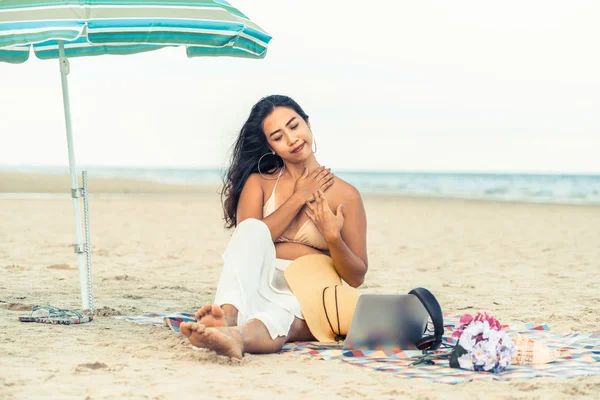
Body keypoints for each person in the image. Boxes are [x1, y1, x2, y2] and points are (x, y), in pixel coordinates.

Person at [180, 95, 368, 359]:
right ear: (271, 147)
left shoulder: (346, 195)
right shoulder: (258, 183)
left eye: (294, 126)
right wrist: (300, 196)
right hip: (257, 279)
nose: (291, 139)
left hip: (310, 288)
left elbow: (356, 277)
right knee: (251, 230)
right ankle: (229, 318)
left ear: (308, 124)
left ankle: (236, 337)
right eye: (278, 137)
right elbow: (248, 242)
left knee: (281, 312)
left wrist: (332, 238)